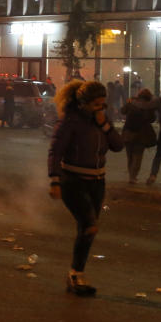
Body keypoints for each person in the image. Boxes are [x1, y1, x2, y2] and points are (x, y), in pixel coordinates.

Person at [48, 81, 123, 296]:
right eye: (96, 105)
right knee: (90, 226)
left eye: (103, 105)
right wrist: (55, 180)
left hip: (97, 182)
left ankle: (76, 274)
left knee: (87, 230)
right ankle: (75, 274)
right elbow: (55, 151)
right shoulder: (70, 121)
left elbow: (118, 146)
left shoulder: (101, 121)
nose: (100, 108)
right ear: (83, 104)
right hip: (73, 180)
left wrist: (104, 125)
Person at [120, 88, 157, 184]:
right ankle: (133, 176)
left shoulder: (131, 103)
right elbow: (152, 119)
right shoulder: (149, 106)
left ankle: (131, 176)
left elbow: (123, 111)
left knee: (130, 155)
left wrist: (129, 102)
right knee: (138, 156)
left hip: (128, 132)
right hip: (142, 134)